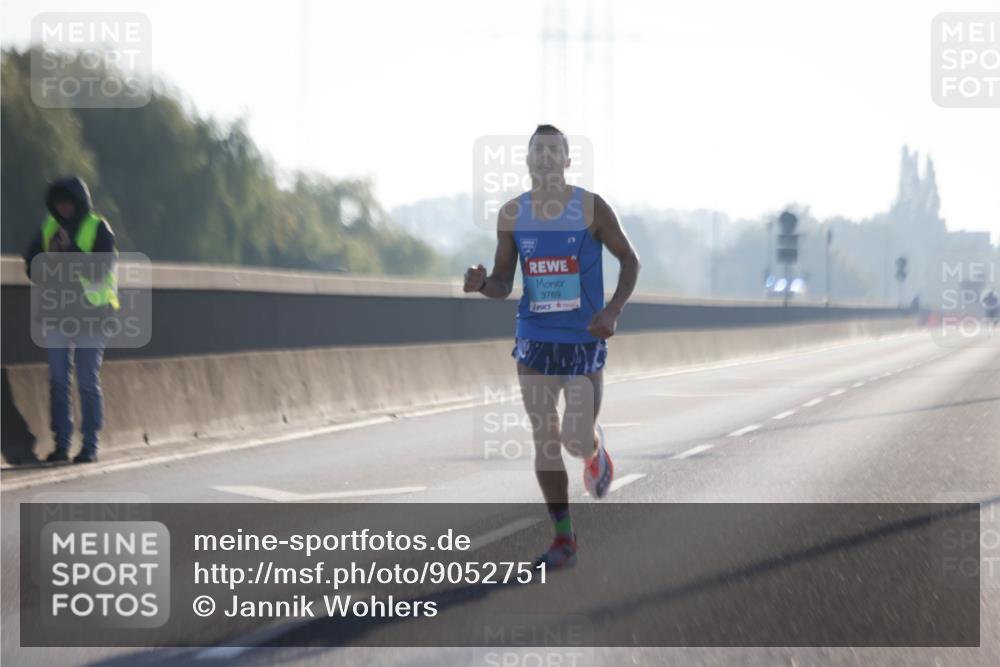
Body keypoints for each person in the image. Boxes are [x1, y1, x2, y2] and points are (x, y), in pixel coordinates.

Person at [464, 125, 640, 569]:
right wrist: (482, 283)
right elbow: (503, 282)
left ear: (566, 161)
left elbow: (629, 259)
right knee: (545, 439)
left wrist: (613, 310)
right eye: (537, 151)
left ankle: (593, 450)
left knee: (574, 439)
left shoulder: (591, 208)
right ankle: (563, 537)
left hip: (583, 341)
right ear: (527, 161)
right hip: (535, 340)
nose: (544, 157)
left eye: (553, 150)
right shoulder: (512, 214)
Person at [23, 177, 118, 464]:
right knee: (58, 380)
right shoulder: (48, 228)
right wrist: (50, 256)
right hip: (57, 314)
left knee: (87, 380)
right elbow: (32, 267)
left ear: (80, 202)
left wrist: (71, 250)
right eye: (58, 202)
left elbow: (101, 270)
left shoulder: (99, 228)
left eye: (68, 202)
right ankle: (61, 444)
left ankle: (90, 445)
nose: (63, 207)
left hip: (93, 315)